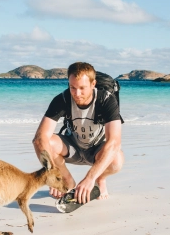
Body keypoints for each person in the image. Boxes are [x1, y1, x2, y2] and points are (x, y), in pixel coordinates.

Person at [32, 62, 124, 208]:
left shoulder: (106, 100)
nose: (77, 93)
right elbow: (39, 138)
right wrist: (54, 175)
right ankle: (68, 181)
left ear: (93, 84)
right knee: (46, 142)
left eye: (82, 88)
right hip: (72, 146)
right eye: (72, 87)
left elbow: (114, 142)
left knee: (116, 160)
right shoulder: (62, 99)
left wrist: (90, 178)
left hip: (96, 151)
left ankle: (100, 178)